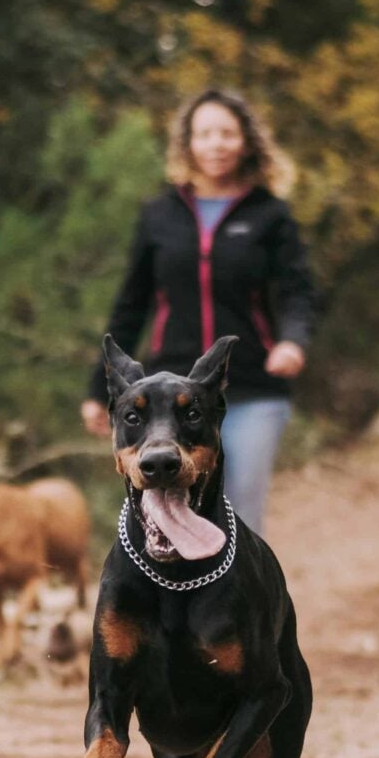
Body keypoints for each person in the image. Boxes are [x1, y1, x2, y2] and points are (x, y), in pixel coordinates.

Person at [84, 88, 320, 534]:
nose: (216, 144)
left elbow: (298, 291)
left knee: (240, 511)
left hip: (251, 386)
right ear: (188, 144)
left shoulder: (271, 215)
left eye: (227, 133)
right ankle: (176, 601)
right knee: (166, 506)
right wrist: (100, 390)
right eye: (205, 133)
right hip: (167, 393)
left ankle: (237, 603)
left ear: (247, 141)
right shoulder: (159, 215)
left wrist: (292, 340)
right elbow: (131, 303)